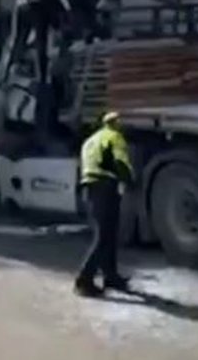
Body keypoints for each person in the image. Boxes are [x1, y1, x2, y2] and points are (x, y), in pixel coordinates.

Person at [74, 111, 134, 298]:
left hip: (90, 188)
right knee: (104, 237)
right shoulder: (114, 137)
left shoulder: (91, 140)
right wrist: (131, 182)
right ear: (116, 124)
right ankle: (83, 280)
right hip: (105, 188)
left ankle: (111, 276)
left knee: (107, 234)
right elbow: (120, 162)